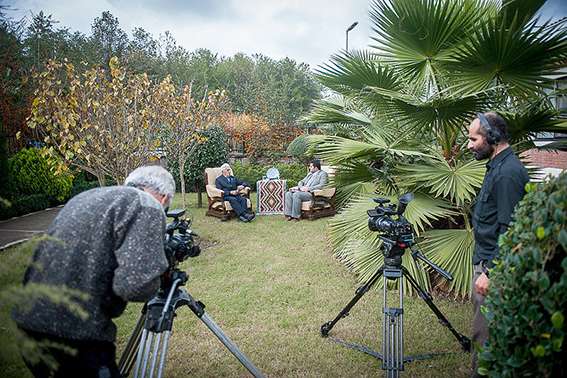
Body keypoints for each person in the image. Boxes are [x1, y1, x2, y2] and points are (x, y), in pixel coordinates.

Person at [12, 165, 175, 378]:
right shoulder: (148, 205)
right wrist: (160, 270)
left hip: (28, 323)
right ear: (163, 198)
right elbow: (135, 286)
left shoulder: (87, 197)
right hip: (73, 334)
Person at [467, 112, 529, 376]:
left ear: (492, 137)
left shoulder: (507, 174)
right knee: (481, 330)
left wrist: (490, 273)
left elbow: (512, 230)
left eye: (473, 139)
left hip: (493, 270)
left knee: (486, 337)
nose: (469, 145)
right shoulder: (495, 165)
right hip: (483, 260)